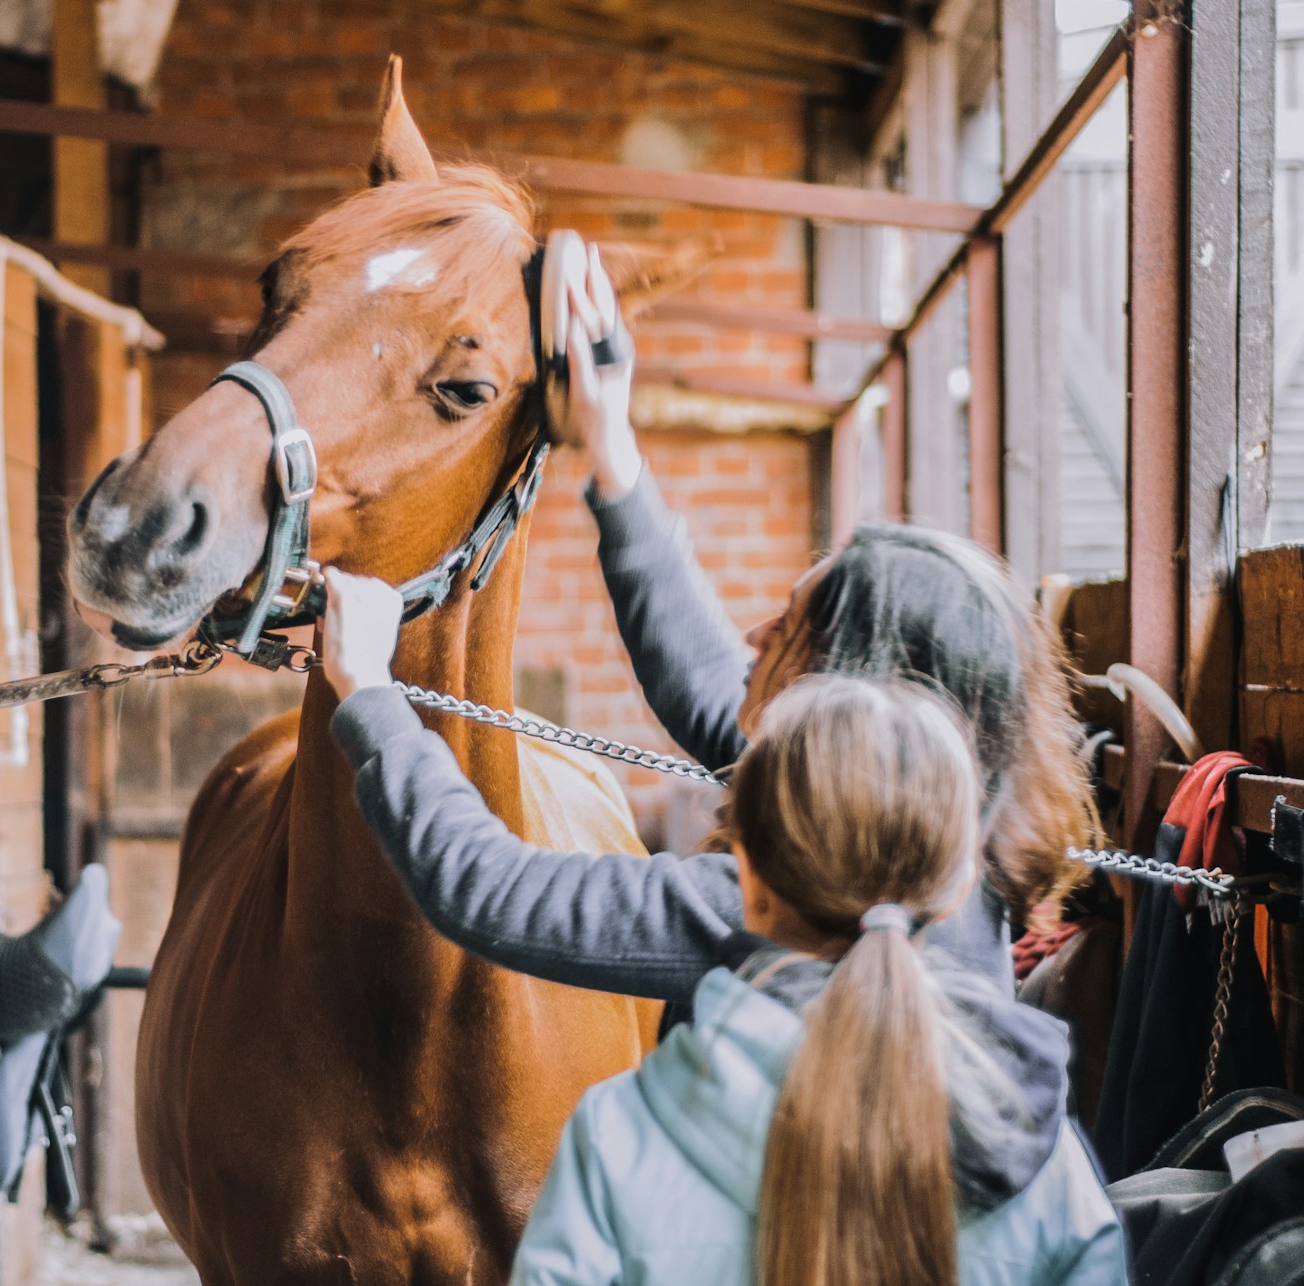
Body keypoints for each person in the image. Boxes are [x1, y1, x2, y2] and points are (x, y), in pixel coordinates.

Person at [323, 242, 1094, 1012]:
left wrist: (369, 695)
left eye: (790, 631)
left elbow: (492, 892)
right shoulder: (936, 848)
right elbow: (707, 686)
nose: (753, 637)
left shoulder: (786, 904)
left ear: (856, 698)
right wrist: (611, 449)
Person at [324, 612, 1123, 1282]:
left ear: (742, 874)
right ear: (955, 890)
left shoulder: (619, 1135)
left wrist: (366, 687)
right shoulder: (1037, 1143)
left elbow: (485, 882)